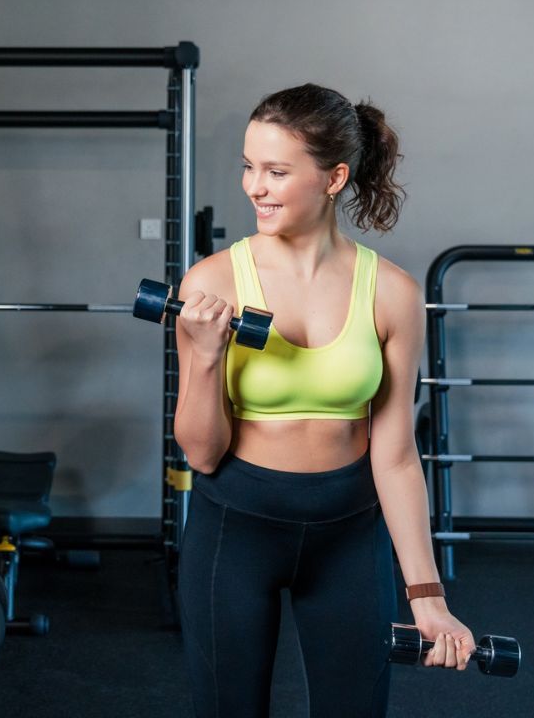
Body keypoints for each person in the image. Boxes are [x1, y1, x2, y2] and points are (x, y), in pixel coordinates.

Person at [174, 83, 472, 717]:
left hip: (348, 535)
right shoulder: (212, 282)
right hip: (235, 527)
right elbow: (201, 455)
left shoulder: (390, 293)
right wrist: (203, 356)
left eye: (277, 171)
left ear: (334, 177)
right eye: (249, 167)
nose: (255, 186)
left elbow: (394, 457)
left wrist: (427, 594)